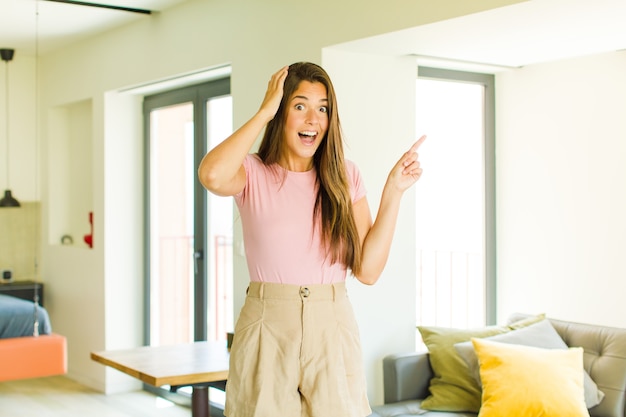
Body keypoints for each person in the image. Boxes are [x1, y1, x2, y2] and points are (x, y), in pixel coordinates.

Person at [198, 62, 425, 417]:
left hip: (332, 322)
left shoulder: (345, 176)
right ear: (281, 111)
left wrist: (393, 192)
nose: (313, 119)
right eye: (300, 106)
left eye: (323, 109)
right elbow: (211, 174)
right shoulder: (253, 172)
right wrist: (263, 113)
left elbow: (367, 271)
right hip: (266, 323)